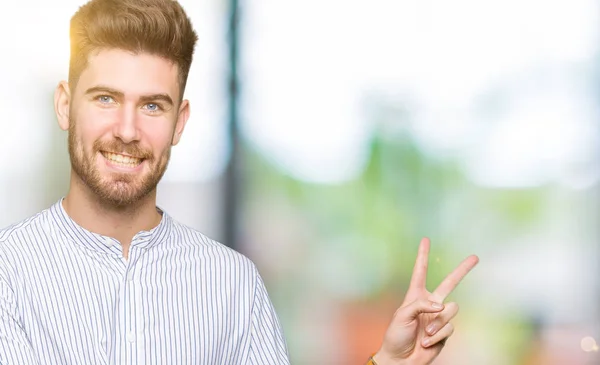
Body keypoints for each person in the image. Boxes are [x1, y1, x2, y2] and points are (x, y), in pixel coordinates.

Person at [0, 0, 478, 364]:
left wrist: (387, 363)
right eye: (105, 98)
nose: (127, 130)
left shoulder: (232, 284)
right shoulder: (8, 275)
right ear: (65, 105)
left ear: (180, 121)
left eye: (152, 105)